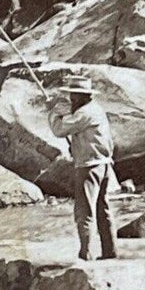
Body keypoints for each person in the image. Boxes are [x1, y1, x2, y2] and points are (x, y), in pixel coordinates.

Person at [46, 75, 117, 261]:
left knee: (84, 211)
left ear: (84, 96)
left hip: (90, 166)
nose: (71, 99)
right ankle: (110, 251)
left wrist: (53, 113)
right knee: (102, 209)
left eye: (74, 96)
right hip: (104, 165)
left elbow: (59, 130)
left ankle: (85, 253)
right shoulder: (95, 110)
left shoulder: (85, 113)